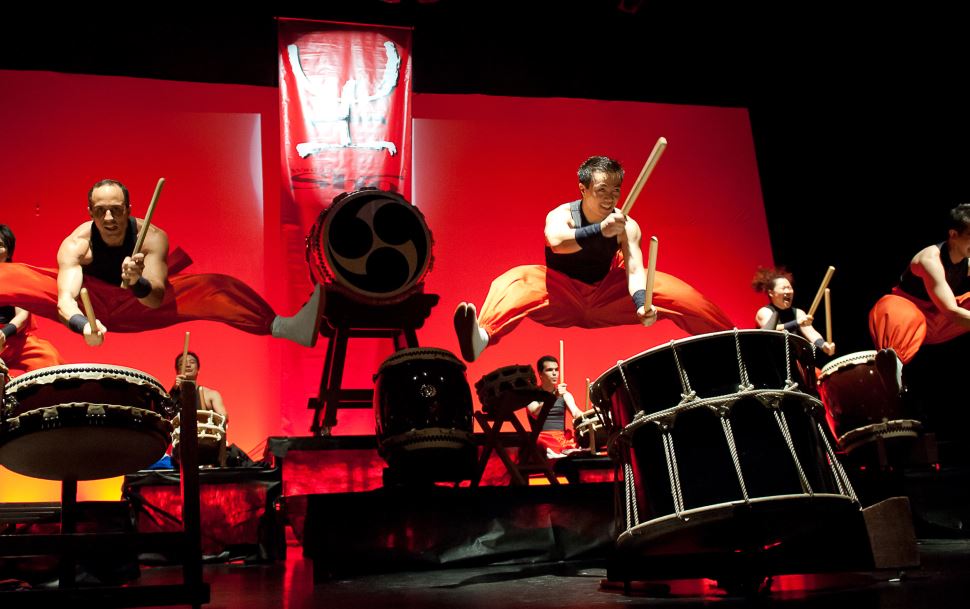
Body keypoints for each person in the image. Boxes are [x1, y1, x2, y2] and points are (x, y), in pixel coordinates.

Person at [453, 156, 733, 362]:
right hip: (561, 294)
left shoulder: (628, 225)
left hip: (607, 296)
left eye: (615, 190)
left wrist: (640, 305)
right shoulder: (561, 214)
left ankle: (735, 341)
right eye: (602, 190)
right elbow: (559, 244)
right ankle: (483, 337)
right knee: (515, 280)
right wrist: (599, 230)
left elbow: (634, 269)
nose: (610, 198)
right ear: (583, 189)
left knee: (672, 290)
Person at [0, 179, 323, 347]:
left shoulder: (152, 237)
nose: (109, 218)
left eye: (116, 209)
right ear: (90, 212)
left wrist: (138, 281)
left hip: (139, 304)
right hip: (92, 303)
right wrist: (85, 327)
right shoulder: (78, 243)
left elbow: (155, 299)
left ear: (129, 208)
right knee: (14, 275)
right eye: (100, 211)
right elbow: (66, 300)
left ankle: (282, 326)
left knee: (216, 287)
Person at [869, 203, 970, 364]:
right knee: (897, 309)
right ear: (954, 234)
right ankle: (891, 366)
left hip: (937, 320)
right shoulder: (930, 261)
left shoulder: (966, 260)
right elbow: (951, 311)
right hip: (908, 318)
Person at [0, 224, 64, 376]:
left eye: (0, 245)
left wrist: (3, 333)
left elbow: (22, 316)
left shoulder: (18, 276)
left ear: (9, 252)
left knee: (49, 358)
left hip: (12, 339)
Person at [752, 266, 835, 355]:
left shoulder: (798, 313)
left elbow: (810, 332)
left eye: (790, 287)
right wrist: (797, 323)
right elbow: (770, 330)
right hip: (770, 360)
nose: (788, 291)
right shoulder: (765, 312)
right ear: (771, 293)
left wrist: (822, 345)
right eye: (784, 288)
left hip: (794, 360)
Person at [526, 355, 585, 458]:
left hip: (561, 438)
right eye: (549, 370)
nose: (554, 373)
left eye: (556, 370)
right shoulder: (531, 395)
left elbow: (576, 413)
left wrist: (591, 414)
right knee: (538, 441)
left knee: (581, 442)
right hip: (542, 437)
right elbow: (535, 412)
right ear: (540, 374)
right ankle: (557, 453)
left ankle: (560, 453)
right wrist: (554, 396)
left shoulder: (565, 395)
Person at [172, 350, 227, 419]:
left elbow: (223, 417)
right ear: (177, 371)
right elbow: (165, 413)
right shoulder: (171, 396)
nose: (188, 365)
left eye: (192, 362)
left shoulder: (210, 394)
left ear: (198, 370)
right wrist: (175, 390)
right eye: (182, 363)